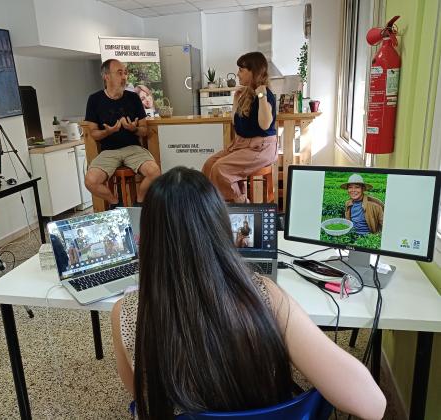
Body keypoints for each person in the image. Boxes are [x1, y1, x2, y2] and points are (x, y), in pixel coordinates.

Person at [111, 167, 386, 420]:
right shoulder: (263, 294)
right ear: (220, 226)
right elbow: (373, 405)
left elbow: (139, 394)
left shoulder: (125, 311)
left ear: (147, 235)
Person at [202, 52, 278, 203]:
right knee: (209, 165)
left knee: (220, 169)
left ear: (253, 72)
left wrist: (261, 96)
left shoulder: (265, 94)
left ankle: (241, 205)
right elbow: (237, 124)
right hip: (243, 145)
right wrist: (236, 100)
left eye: (241, 70)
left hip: (261, 148)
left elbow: (265, 124)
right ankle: (213, 203)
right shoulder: (245, 94)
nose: (238, 74)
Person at [84, 59, 160, 205]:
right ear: (106, 76)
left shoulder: (133, 98)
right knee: (90, 181)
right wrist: (108, 132)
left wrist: (134, 129)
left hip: (133, 148)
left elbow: (144, 131)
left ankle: (139, 203)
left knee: (155, 172)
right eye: (119, 73)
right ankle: (116, 204)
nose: (124, 77)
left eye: (125, 73)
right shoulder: (94, 100)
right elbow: (93, 133)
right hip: (108, 151)